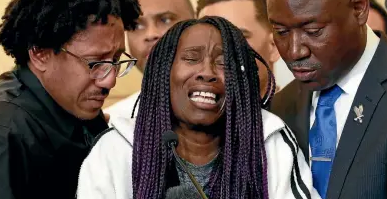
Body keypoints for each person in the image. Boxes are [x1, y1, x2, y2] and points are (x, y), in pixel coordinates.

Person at [77, 16, 320, 199]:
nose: (206, 73)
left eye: (224, 63)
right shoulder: (115, 149)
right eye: (191, 59)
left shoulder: (271, 143)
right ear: (164, 73)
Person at [0, 0, 141, 199]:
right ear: (40, 54)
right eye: (95, 63)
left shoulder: (78, 108)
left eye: (116, 60)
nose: (110, 79)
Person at [268, 0, 387, 199]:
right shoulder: (279, 110)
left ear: (359, 9)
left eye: (313, 31)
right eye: (281, 32)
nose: (295, 50)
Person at [105, 0, 194, 119]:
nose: (151, 34)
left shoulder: (235, 114)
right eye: (137, 26)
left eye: (165, 20)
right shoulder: (112, 124)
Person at [196, 0, 280, 95]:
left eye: (236, 37)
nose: (222, 50)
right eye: (209, 40)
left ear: (274, 47)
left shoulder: (306, 111)